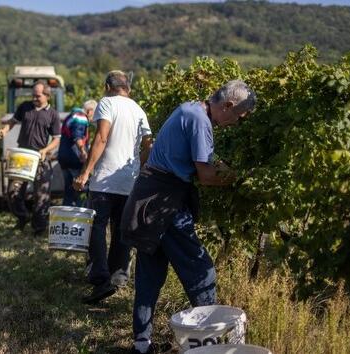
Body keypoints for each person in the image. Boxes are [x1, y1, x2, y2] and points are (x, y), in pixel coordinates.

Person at [121, 80, 256, 354]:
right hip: (165, 205)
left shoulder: (190, 109)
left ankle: (141, 344)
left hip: (150, 200)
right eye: (238, 117)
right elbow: (206, 175)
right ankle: (210, 344)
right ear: (228, 105)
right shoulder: (199, 121)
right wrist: (238, 178)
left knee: (150, 273)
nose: (235, 124)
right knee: (201, 271)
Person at [73, 70, 153, 304]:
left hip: (105, 179)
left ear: (108, 86)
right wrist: (138, 170)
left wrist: (86, 172)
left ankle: (100, 279)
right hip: (128, 180)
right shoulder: (139, 110)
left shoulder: (106, 103)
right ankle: (117, 275)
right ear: (128, 88)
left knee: (96, 228)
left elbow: (102, 137)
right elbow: (148, 145)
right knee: (120, 229)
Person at [0, 80, 61, 235]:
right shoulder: (24, 107)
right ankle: (23, 217)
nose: (34, 98)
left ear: (47, 96)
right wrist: (5, 130)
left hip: (40, 157)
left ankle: (39, 227)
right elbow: (12, 122)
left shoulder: (53, 114)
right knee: (13, 192)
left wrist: (45, 150)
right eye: (33, 95)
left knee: (42, 195)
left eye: (37, 96)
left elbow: (56, 139)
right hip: (22, 157)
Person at [58, 99, 97, 207]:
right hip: (74, 158)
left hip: (64, 158)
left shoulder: (72, 115)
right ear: (89, 111)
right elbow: (78, 137)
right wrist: (84, 152)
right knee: (81, 189)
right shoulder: (81, 117)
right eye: (95, 113)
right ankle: (80, 217)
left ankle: (65, 219)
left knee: (69, 191)